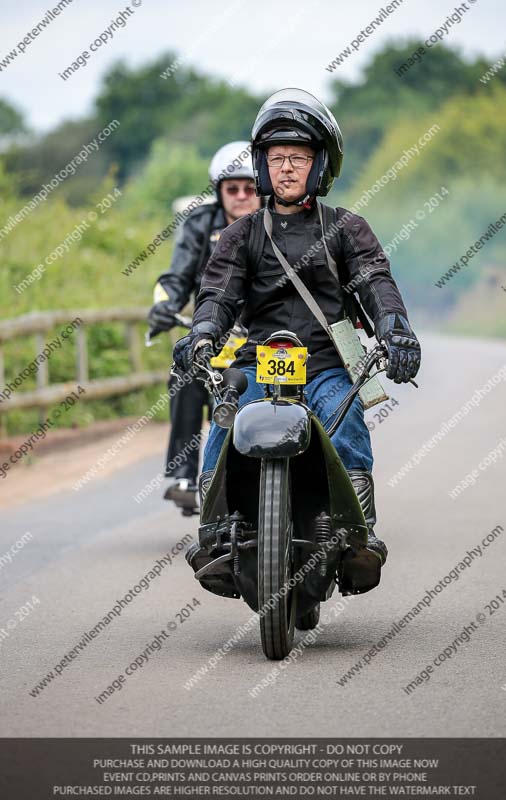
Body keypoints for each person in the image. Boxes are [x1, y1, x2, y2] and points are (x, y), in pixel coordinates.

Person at [173, 89, 421, 592]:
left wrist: (396, 330)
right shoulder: (241, 235)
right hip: (257, 363)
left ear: (321, 165)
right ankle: (216, 532)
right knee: (223, 423)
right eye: (276, 157)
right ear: (263, 165)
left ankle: (357, 536)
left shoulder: (348, 228)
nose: (286, 168)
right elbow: (217, 295)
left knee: (346, 422)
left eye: (299, 157)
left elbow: (376, 282)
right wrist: (201, 334)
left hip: (328, 363)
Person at [148, 141, 261, 513]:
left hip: (268, 337)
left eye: (250, 187)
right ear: (219, 192)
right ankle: (184, 475)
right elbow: (176, 277)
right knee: (184, 371)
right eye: (233, 188)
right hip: (211, 336)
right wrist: (165, 306)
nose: (242, 196)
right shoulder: (200, 225)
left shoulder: (284, 222)